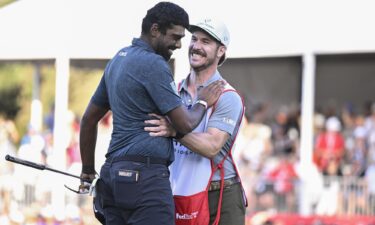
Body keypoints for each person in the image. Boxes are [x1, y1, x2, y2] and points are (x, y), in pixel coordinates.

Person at [78, 3, 225, 225]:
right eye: (175, 37)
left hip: (112, 178)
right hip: (145, 180)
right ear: (155, 30)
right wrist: (203, 101)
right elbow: (185, 124)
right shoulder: (153, 63)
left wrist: (87, 170)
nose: (178, 45)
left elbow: (89, 120)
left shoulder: (118, 59)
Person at [145, 18, 246, 225]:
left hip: (220, 195)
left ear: (221, 51)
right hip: (180, 191)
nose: (196, 46)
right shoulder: (173, 89)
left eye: (206, 42)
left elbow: (211, 146)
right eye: (194, 39)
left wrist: (175, 131)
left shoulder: (227, 96)